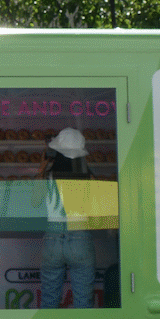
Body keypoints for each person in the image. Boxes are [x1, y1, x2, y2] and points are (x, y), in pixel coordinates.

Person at [38, 128, 96, 308]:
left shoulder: (48, 176)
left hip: (53, 237)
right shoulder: (88, 176)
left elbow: (34, 201)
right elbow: (97, 208)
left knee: (49, 298)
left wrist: (42, 167)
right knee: (83, 300)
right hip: (80, 236)